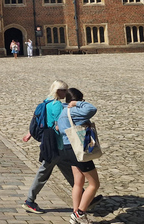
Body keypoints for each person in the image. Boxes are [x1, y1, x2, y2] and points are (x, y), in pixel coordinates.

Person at [22, 80, 73, 213]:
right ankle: (29, 200)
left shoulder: (47, 101)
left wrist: (30, 134)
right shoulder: (56, 105)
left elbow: (41, 120)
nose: (66, 93)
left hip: (51, 142)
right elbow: (59, 125)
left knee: (69, 170)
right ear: (58, 91)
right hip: (55, 144)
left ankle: (86, 197)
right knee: (43, 172)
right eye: (64, 90)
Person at [57, 88, 101, 224]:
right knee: (94, 183)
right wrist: (77, 104)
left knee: (78, 182)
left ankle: (75, 214)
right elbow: (92, 109)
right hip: (78, 149)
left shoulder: (63, 111)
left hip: (67, 148)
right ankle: (80, 213)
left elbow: (58, 128)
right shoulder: (74, 109)